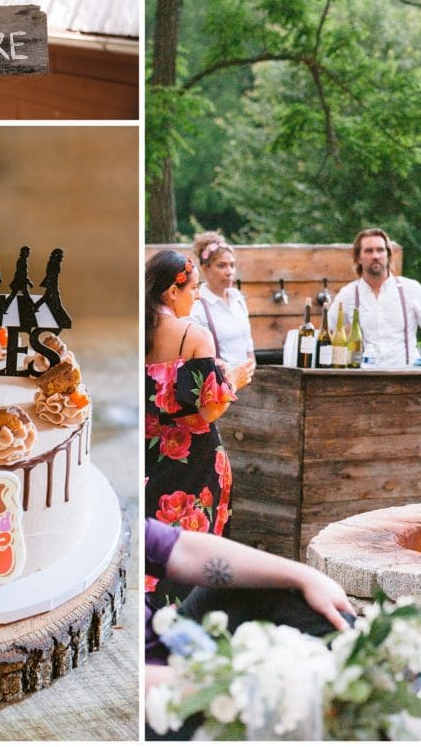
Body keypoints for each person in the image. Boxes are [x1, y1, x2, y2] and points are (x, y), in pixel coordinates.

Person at [145, 518, 421, 739]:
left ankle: (395, 669)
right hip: (153, 704)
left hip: (173, 641)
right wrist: (243, 683)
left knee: (267, 582)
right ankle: (361, 701)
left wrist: (303, 575)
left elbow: (183, 549)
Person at [145, 250, 252, 605]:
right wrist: (232, 380)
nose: (195, 296)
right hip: (195, 464)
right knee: (193, 551)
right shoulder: (193, 335)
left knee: (154, 548)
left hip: (149, 461)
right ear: (171, 292)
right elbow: (207, 412)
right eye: (192, 289)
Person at [330, 228, 421, 368]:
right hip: (363, 379)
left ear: (388, 255)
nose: (375, 256)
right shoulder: (348, 294)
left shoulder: (410, 288)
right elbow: (328, 330)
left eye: (380, 250)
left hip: (407, 377)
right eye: (369, 251)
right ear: (358, 258)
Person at [188, 232, 256, 375]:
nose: (229, 272)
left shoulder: (238, 299)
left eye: (232, 265)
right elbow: (194, 352)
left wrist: (251, 369)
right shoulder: (197, 305)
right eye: (222, 266)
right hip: (219, 383)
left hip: (247, 379)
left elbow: (248, 343)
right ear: (205, 268)